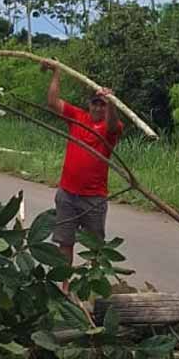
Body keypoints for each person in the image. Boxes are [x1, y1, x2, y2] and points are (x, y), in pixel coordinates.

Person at [43, 63, 123, 265]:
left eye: (102, 104)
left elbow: (114, 125)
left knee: (95, 246)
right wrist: (56, 73)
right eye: (95, 103)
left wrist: (111, 102)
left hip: (94, 198)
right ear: (89, 104)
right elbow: (53, 102)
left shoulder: (111, 127)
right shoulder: (78, 117)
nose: (98, 107)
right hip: (67, 193)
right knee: (65, 241)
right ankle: (65, 286)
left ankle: (93, 288)